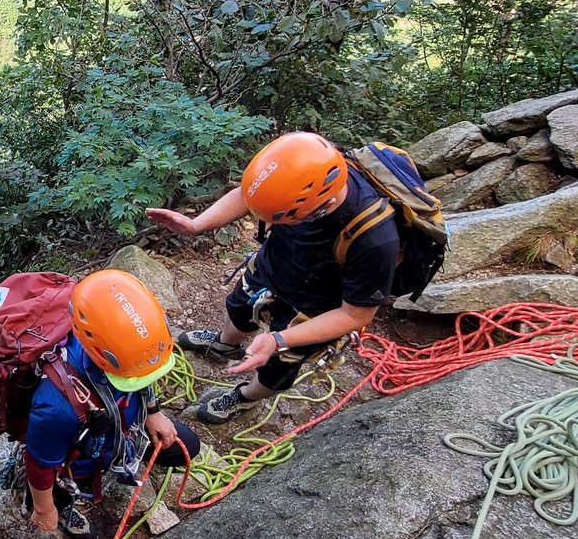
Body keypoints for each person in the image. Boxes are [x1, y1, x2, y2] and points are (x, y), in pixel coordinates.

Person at [147, 130, 400, 425]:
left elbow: (355, 315)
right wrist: (196, 224)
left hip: (313, 309)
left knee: (277, 364)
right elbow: (248, 194)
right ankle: (225, 344)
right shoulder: (301, 167)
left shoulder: (375, 239)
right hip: (271, 268)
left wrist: (280, 339)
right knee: (238, 308)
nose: (270, 222)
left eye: (279, 218)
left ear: (317, 209)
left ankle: (246, 397)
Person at [23, 268, 199, 538]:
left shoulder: (131, 346)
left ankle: (113, 461)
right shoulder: (56, 408)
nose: (138, 378)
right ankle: (57, 501)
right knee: (51, 494)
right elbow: (40, 463)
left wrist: (153, 412)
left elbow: (140, 374)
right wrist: (44, 510)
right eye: (130, 376)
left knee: (186, 446)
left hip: (120, 429)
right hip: (77, 455)